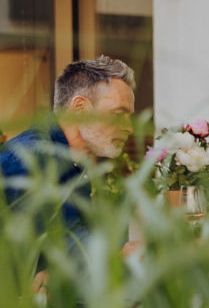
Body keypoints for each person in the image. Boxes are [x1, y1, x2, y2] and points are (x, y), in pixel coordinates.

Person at [1, 55, 136, 253]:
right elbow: (58, 252)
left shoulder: (74, 163)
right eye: (118, 114)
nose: (129, 128)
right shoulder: (30, 158)